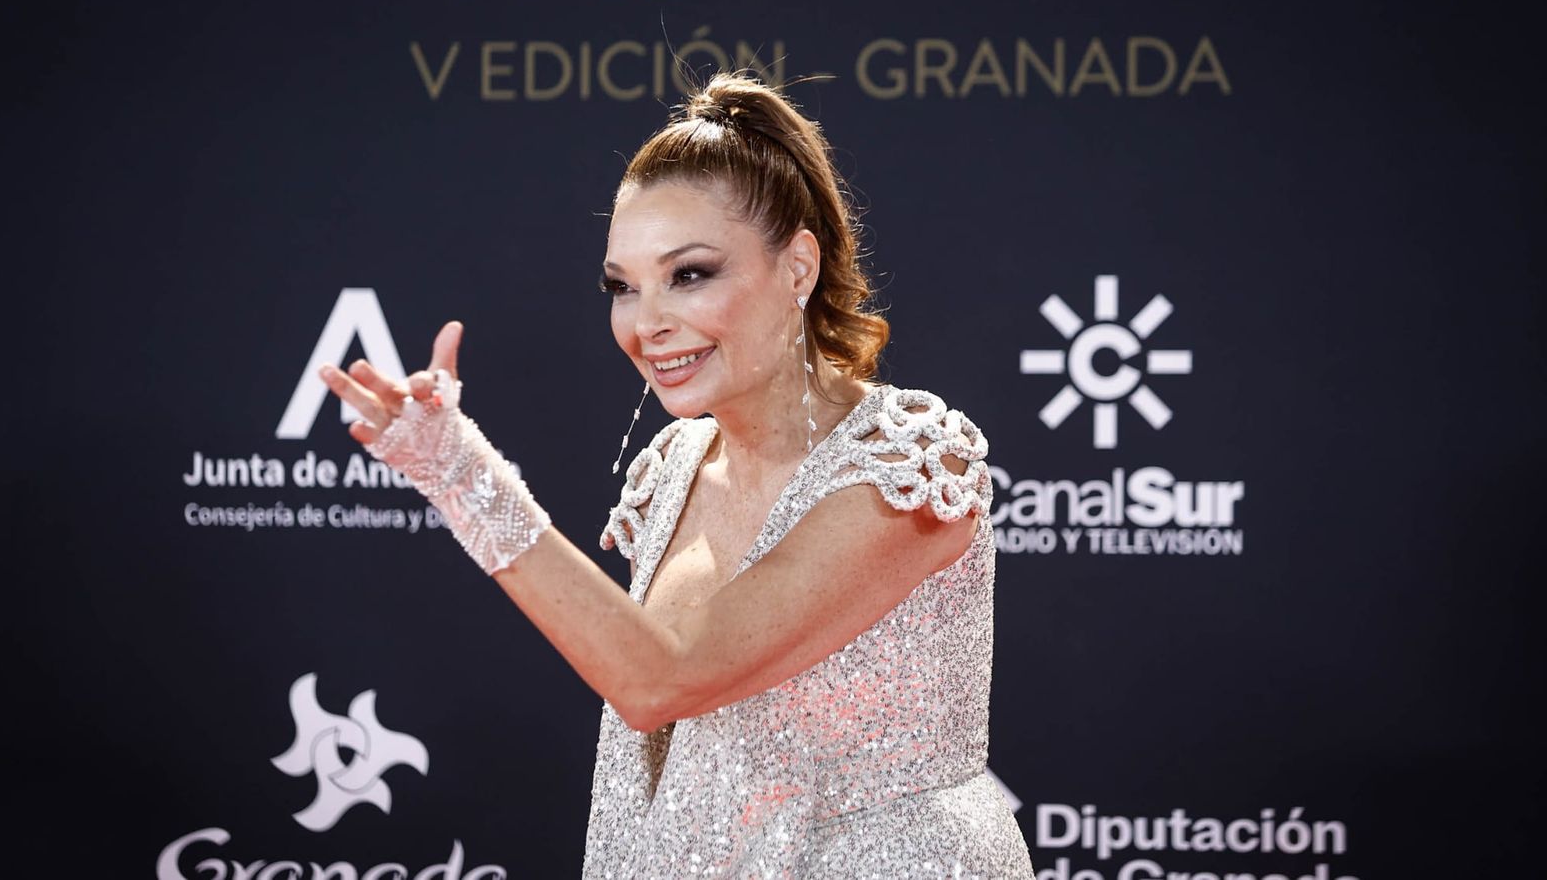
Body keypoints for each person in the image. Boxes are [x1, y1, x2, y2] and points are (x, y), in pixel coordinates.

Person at [318, 70, 1034, 878]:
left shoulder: (912, 464)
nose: (647, 322)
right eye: (623, 287)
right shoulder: (671, 471)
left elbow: (662, 678)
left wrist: (458, 472)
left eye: (689, 274)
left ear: (798, 267)